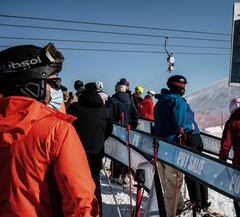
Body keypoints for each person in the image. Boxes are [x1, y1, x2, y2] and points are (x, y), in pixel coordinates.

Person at [0, 43, 99, 216]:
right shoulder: (57, 131)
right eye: (53, 82)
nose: (56, 89)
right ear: (32, 84)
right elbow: (80, 202)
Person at [154, 75, 209, 216]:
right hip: (173, 145)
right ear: (180, 88)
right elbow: (180, 125)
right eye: (184, 87)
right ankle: (170, 212)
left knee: (167, 181)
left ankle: (178, 205)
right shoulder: (178, 102)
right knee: (174, 181)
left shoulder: (160, 102)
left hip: (160, 145)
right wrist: (190, 125)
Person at [68, 82, 113, 217]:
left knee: (76, 182)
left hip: (77, 150)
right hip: (97, 151)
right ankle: (98, 212)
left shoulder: (75, 107)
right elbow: (109, 130)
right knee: (95, 181)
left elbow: (66, 124)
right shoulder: (105, 111)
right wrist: (100, 140)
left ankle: (79, 212)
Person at [109, 80, 139, 184]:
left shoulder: (112, 99)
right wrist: (132, 126)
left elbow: (108, 115)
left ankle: (115, 174)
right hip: (127, 129)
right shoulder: (130, 99)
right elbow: (135, 114)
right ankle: (124, 174)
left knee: (115, 150)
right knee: (125, 151)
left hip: (116, 128)